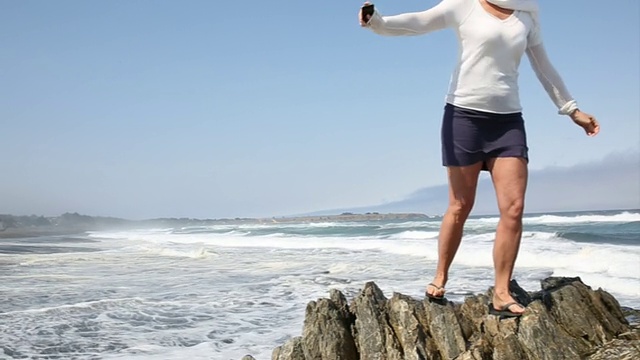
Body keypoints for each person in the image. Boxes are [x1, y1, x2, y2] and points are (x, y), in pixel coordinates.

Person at [359, 0, 600, 317]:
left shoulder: (527, 14)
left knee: (513, 208)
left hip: (507, 122)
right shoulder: (464, 4)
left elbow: (543, 67)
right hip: (463, 117)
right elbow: (418, 22)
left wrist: (572, 110)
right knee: (460, 205)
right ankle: (440, 276)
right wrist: (377, 21)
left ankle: (501, 292)